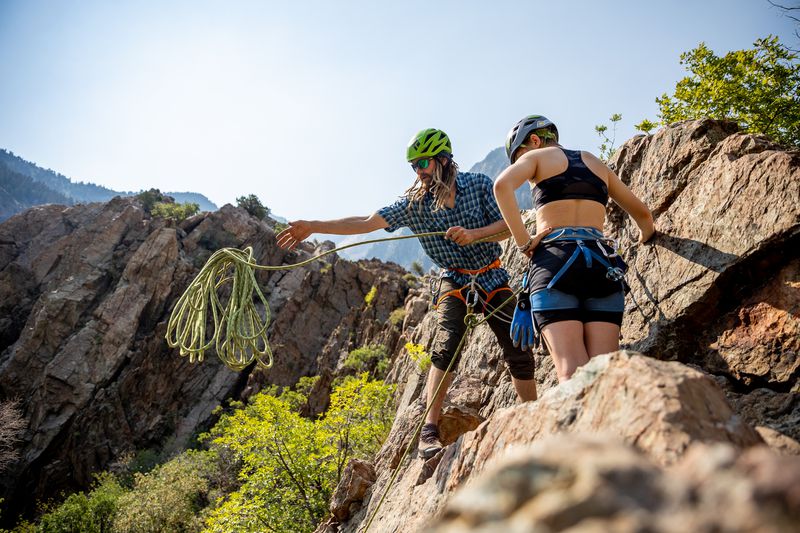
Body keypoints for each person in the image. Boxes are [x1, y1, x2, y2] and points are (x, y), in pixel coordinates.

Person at [276, 128, 538, 459]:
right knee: (447, 342)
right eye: (413, 166)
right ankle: (429, 430)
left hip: (490, 273)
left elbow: (508, 226)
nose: (419, 171)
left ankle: (533, 412)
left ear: (443, 159)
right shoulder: (414, 204)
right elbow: (367, 221)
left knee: (517, 343)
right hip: (453, 278)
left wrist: (474, 235)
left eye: (423, 163)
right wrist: (314, 225)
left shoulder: (479, 186)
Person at [493, 115, 655, 383]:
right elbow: (644, 218)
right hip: (602, 265)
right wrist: (644, 239)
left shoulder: (536, 158)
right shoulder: (595, 162)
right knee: (604, 375)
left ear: (534, 140)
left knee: (572, 373)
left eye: (519, 154)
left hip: (555, 263)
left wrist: (524, 242)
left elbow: (502, 186)